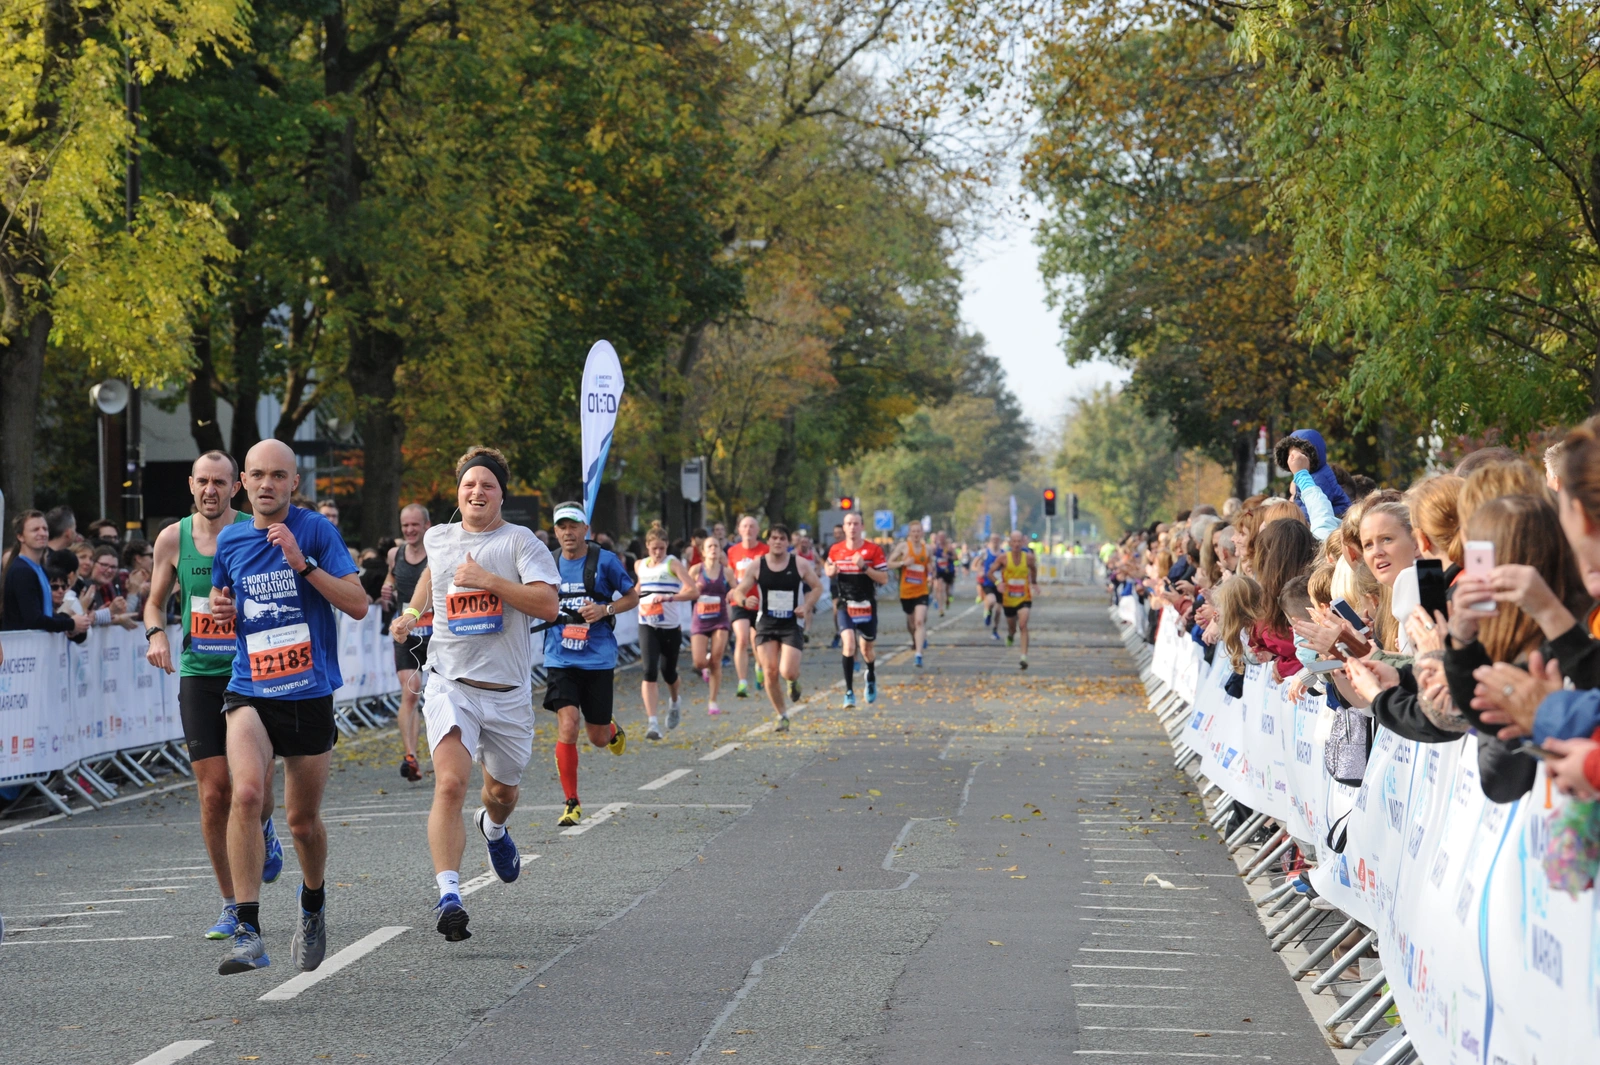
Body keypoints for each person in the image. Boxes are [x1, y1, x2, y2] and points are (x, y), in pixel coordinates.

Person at [208, 439, 369, 975]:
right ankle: (249, 930)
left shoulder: (316, 531)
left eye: (278, 475)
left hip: (307, 692)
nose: (266, 484)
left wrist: (302, 566)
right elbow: (224, 601)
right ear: (242, 484)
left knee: (302, 822)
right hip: (250, 685)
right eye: (257, 475)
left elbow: (358, 603)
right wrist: (221, 606)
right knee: (247, 793)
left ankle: (314, 902)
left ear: (293, 482)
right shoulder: (230, 541)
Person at [390, 447, 559, 941]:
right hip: (450, 683)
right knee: (449, 784)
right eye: (469, 485)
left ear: (501, 493)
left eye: (486, 485)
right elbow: (431, 576)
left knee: (501, 792)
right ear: (458, 493)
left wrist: (488, 580)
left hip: (507, 694)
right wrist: (410, 613)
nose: (477, 492)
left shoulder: (521, 542)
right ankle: (449, 895)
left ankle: (494, 827)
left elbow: (548, 605)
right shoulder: (440, 538)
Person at [144, 451, 283, 941]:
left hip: (251, 674)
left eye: (220, 482)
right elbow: (155, 602)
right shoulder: (172, 538)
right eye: (202, 481)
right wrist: (155, 634)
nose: (210, 490)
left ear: (236, 486)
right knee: (214, 794)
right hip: (200, 674)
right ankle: (230, 904)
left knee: (257, 793)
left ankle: (264, 828)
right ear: (190, 485)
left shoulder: (254, 530)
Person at [543, 502, 639, 828]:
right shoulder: (547, 563)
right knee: (568, 725)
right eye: (561, 527)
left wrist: (604, 610)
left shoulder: (605, 561)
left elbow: (632, 596)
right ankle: (572, 802)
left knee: (597, 737)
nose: (568, 533)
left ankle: (610, 728)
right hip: (560, 656)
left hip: (597, 657)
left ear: (586, 530)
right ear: (555, 531)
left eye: (574, 526)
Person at [730, 524, 822, 731]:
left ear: (788, 543)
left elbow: (817, 587)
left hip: (791, 623)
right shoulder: (757, 565)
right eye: (774, 538)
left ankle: (792, 681)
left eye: (782, 538)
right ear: (768, 542)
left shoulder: (799, 564)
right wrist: (745, 601)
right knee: (770, 671)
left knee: (787, 671)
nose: (778, 541)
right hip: (767, 624)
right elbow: (738, 591)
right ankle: (782, 715)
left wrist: (806, 606)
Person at [384, 504, 432, 782]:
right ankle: (411, 756)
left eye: (415, 525)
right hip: (406, 633)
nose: (410, 530)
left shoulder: (436, 553)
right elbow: (392, 573)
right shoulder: (396, 553)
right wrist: (388, 585)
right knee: (411, 692)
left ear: (427, 525)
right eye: (405, 526)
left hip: (436, 632)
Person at [635, 521, 694, 739]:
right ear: (647, 547)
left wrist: (670, 597)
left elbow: (693, 590)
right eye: (654, 549)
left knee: (668, 673)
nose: (658, 552)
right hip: (647, 624)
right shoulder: (640, 565)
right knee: (649, 671)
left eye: (662, 548)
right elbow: (637, 590)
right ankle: (652, 724)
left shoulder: (673, 564)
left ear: (667, 546)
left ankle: (675, 701)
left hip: (670, 627)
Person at [825, 511, 889, 706]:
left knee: (866, 649)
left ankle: (870, 676)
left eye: (856, 524)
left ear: (862, 527)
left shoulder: (873, 550)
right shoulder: (836, 549)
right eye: (849, 524)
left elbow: (884, 579)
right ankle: (849, 692)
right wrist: (832, 571)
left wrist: (864, 567)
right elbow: (827, 570)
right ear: (844, 528)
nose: (852, 527)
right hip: (845, 603)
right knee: (849, 644)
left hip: (867, 604)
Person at [1, 511, 91, 637]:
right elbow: (34, 620)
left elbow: (45, 614)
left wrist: (67, 618)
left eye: (45, 529)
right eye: (35, 530)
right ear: (20, 536)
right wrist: (70, 623)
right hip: (23, 650)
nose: (42, 533)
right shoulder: (22, 571)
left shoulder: (40, 569)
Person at [725, 515, 769, 699]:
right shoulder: (733, 551)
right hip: (740, 601)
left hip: (760, 602)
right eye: (745, 526)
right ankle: (742, 681)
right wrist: (732, 590)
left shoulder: (765, 550)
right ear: (739, 530)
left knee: (757, 641)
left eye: (752, 526)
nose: (748, 529)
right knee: (742, 639)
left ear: (758, 530)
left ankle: (759, 666)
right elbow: (730, 574)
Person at [689, 537, 733, 715]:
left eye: (716, 546)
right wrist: (694, 588)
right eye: (710, 546)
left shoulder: (727, 572)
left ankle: (713, 701)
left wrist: (733, 593)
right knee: (699, 662)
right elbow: (685, 590)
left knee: (716, 660)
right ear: (703, 552)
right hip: (700, 619)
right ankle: (704, 668)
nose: (714, 549)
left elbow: (736, 588)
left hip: (720, 619)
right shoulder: (696, 570)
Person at [986, 530, 1039, 669]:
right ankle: (1010, 635)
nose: (1016, 544)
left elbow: (1033, 569)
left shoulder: (1028, 558)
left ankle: (1023, 657)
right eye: (1014, 541)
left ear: (1023, 542)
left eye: (1019, 541)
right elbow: (990, 573)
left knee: (1023, 624)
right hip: (1009, 599)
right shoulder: (1003, 558)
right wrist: (998, 584)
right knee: (1013, 628)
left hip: (1024, 597)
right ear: (1010, 543)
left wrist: (1034, 583)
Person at [888, 523, 932, 666]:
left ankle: (918, 654)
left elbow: (930, 567)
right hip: (906, 591)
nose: (916, 534)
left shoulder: (928, 549)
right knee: (911, 623)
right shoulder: (903, 547)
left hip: (922, 590)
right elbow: (888, 563)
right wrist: (903, 563)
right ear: (909, 533)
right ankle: (915, 640)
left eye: (918, 531)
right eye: (913, 531)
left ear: (922, 533)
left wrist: (931, 576)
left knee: (919, 621)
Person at [931, 530, 956, 616]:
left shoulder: (949, 547)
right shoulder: (935, 548)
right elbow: (931, 557)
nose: (941, 539)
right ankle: (940, 608)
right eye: (940, 537)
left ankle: (948, 599)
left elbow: (956, 557)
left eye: (943, 537)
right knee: (939, 588)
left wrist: (948, 556)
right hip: (939, 571)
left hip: (948, 571)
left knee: (947, 590)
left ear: (945, 538)